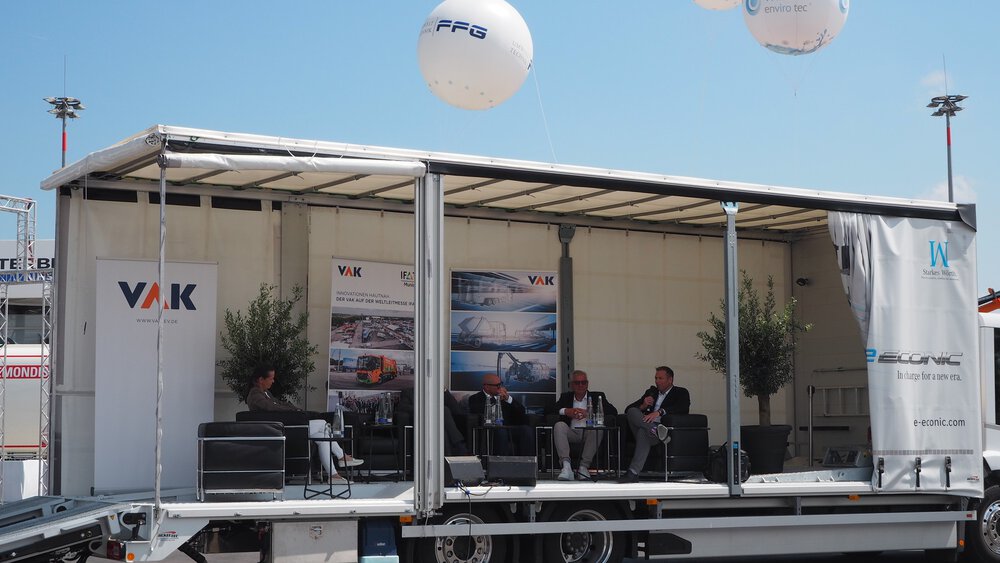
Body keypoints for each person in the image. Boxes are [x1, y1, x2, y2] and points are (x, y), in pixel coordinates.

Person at [246, 364, 363, 482]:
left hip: (288, 427)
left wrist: (293, 408)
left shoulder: (266, 393)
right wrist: (293, 410)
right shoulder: (255, 395)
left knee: (323, 437)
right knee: (323, 424)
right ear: (261, 380)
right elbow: (272, 407)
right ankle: (342, 456)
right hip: (284, 430)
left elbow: (279, 405)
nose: (273, 381)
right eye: (271, 378)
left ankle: (334, 476)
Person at [618, 365, 690, 483]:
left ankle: (633, 473)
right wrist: (643, 406)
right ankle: (654, 430)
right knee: (632, 411)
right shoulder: (651, 392)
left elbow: (683, 407)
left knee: (643, 432)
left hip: (661, 427)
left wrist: (659, 412)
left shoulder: (680, 392)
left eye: (660, 378)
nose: (657, 381)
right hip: (652, 429)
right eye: (656, 378)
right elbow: (628, 410)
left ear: (670, 379)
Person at [546, 369, 618, 481]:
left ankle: (583, 467)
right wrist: (566, 411)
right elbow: (548, 410)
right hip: (572, 433)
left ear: (587, 384)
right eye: (577, 382)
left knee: (598, 428)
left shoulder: (597, 396)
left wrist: (590, 413)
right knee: (559, 425)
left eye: (583, 382)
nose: (580, 385)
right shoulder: (566, 397)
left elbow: (613, 411)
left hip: (589, 433)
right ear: (571, 385)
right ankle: (566, 467)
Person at [466, 373, 534, 457]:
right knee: (501, 432)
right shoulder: (475, 398)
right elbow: (478, 412)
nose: (500, 388)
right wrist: (495, 400)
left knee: (526, 430)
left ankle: (526, 463)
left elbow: (521, 411)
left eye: (501, 384)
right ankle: (502, 464)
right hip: (489, 429)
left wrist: (508, 399)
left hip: (507, 427)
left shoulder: (504, 398)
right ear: (487, 387)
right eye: (497, 386)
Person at [396, 387, 469, 456]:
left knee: (442, 428)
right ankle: (459, 445)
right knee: (443, 410)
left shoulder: (439, 392)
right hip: (421, 423)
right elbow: (402, 407)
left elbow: (456, 410)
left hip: (438, 424)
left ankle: (447, 459)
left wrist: (444, 390)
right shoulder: (409, 392)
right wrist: (426, 409)